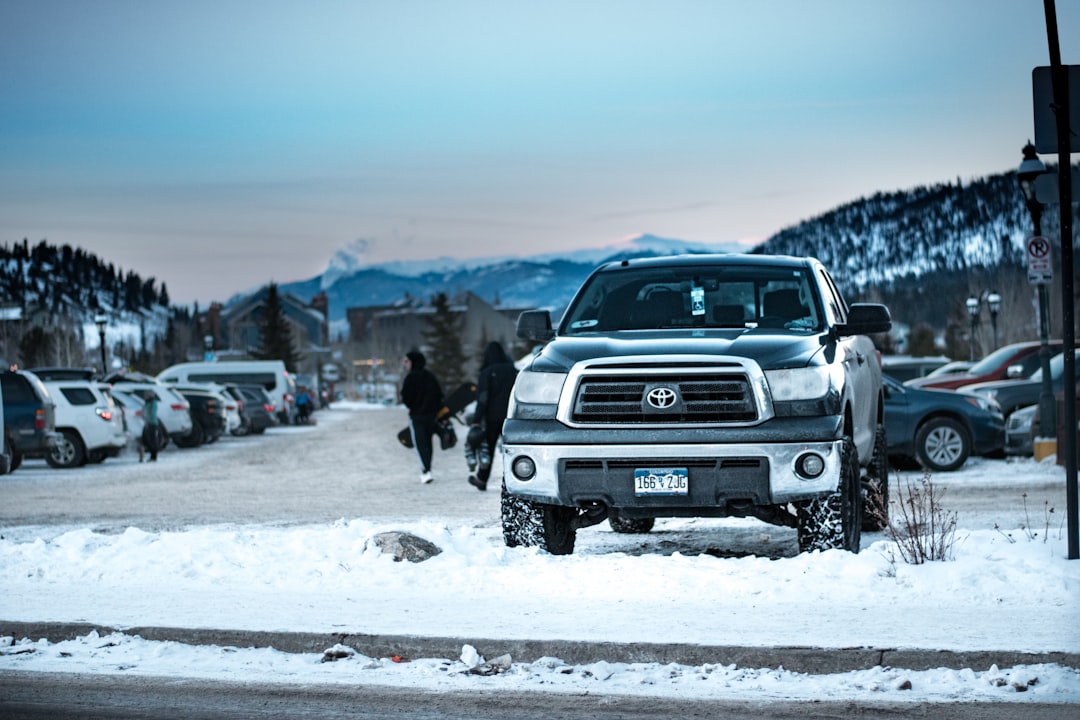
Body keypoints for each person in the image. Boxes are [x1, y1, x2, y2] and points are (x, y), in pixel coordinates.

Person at [469, 341, 517, 491]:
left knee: (487, 449)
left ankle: (482, 479)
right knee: (512, 450)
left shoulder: (487, 372)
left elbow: (483, 398)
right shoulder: (513, 371)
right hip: (511, 417)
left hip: (492, 418)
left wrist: (476, 420)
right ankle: (515, 480)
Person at [400, 349, 444, 484]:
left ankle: (425, 471)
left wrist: (414, 406)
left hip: (417, 417)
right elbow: (439, 395)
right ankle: (427, 469)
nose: (405, 364)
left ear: (413, 362)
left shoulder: (410, 378)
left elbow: (405, 397)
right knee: (428, 444)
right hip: (431, 417)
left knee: (420, 444)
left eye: (406, 361)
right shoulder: (430, 376)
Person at [141, 390, 161, 462]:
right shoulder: (146, 403)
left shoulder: (153, 403)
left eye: (146, 395)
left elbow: (152, 413)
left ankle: (153, 456)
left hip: (152, 424)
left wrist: (148, 419)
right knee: (145, 440)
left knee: (152, 440)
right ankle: (146, 454)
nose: (144, 397)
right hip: (147, 423)